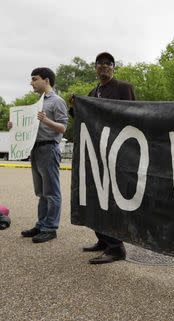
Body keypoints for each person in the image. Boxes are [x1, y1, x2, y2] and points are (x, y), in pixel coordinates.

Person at [71, 52, 135, 264]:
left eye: (109, 63)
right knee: (95, 195)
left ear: (114, 68)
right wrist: (75, 108)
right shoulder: (93, 92)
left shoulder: (123, 87)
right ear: (95, 68)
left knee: (110, 198)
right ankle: (103, 239)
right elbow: (86, 121)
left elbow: (132, 115)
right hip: (96, 152)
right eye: (100, 63)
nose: (104, 66)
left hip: (115, 150)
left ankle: (116, 247)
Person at [8, 68, 68, 243]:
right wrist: (15, 126)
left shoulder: (57, 102)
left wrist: (46, 120)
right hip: (36, 149)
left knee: (51, 192)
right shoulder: (38, 103)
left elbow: (63, 128)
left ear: (46, 80)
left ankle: (50, 228)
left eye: (35, 79)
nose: (31, 83)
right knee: (41, 192)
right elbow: (32, 127)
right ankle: (41, 225)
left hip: (49, 148)